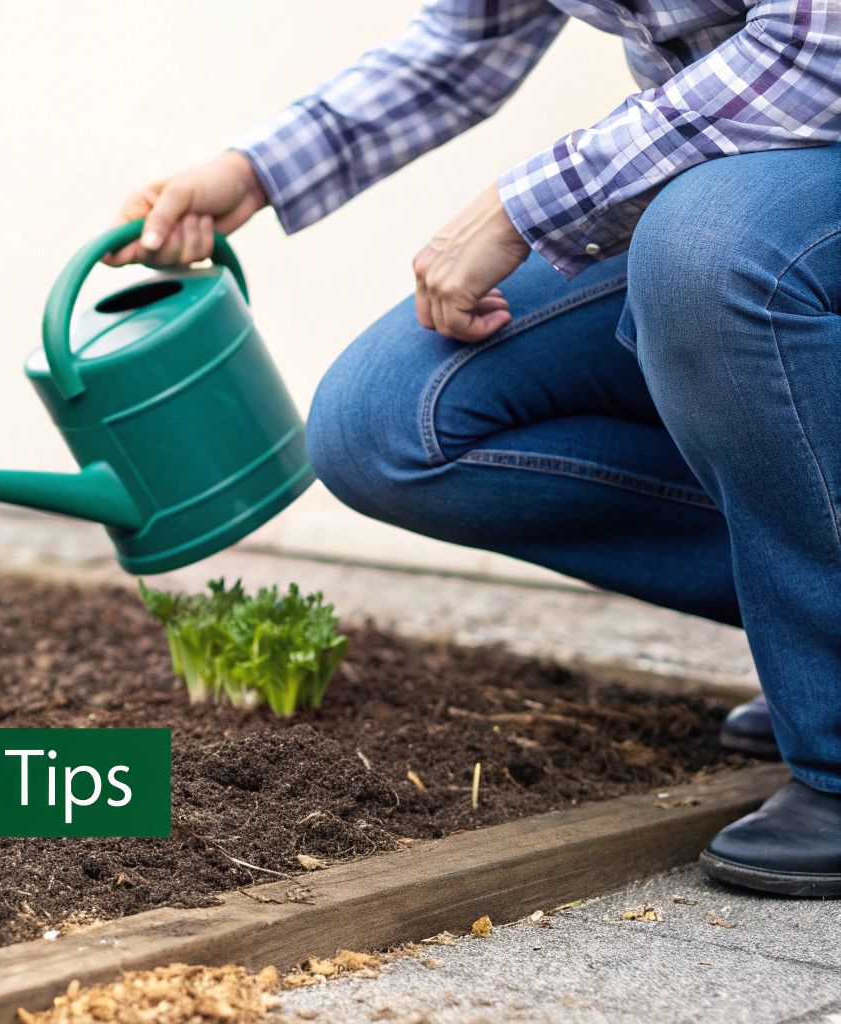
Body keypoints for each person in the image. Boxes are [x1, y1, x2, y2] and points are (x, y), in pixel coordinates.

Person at [109, 0, 840, 897]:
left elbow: (820, 42)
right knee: (388, 425)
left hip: (766, 184)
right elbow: (463, 42)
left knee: (705, 249)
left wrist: (521, 204)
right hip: (720, 175)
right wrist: (252, 170)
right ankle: (811, 635)